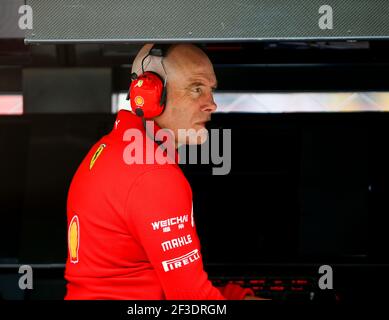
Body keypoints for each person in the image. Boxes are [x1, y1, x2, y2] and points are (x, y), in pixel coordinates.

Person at [64, 43, 254, 300]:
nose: (211, 104)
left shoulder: (108, 149)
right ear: (150, 93)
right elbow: (192, 301)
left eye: (211, 91)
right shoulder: (153, 176)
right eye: (196, 89)